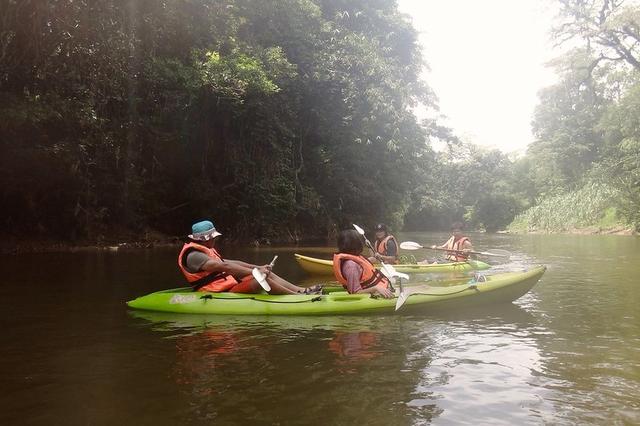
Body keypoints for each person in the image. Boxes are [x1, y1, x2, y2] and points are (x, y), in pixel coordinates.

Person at [178, 220, 321, 295]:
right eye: (212, 238)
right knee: (261, 278)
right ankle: (297, 298)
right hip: (218, 292)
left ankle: (300, 290)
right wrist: (256, 273)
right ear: (204, 239)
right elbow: (224, 267)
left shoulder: (207, 250)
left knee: (266, 273)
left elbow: (229, 262)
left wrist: (259, 267)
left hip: (229, 285)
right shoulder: (194, 256)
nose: (214, 240)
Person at [333, 229, 394, 299]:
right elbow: (355, 293)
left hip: (382, 288)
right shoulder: (351, 266)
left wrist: (376, 256)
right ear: (356, 244)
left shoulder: (354, 257)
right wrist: (376, 288)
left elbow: (367, 262)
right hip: (374, 294)